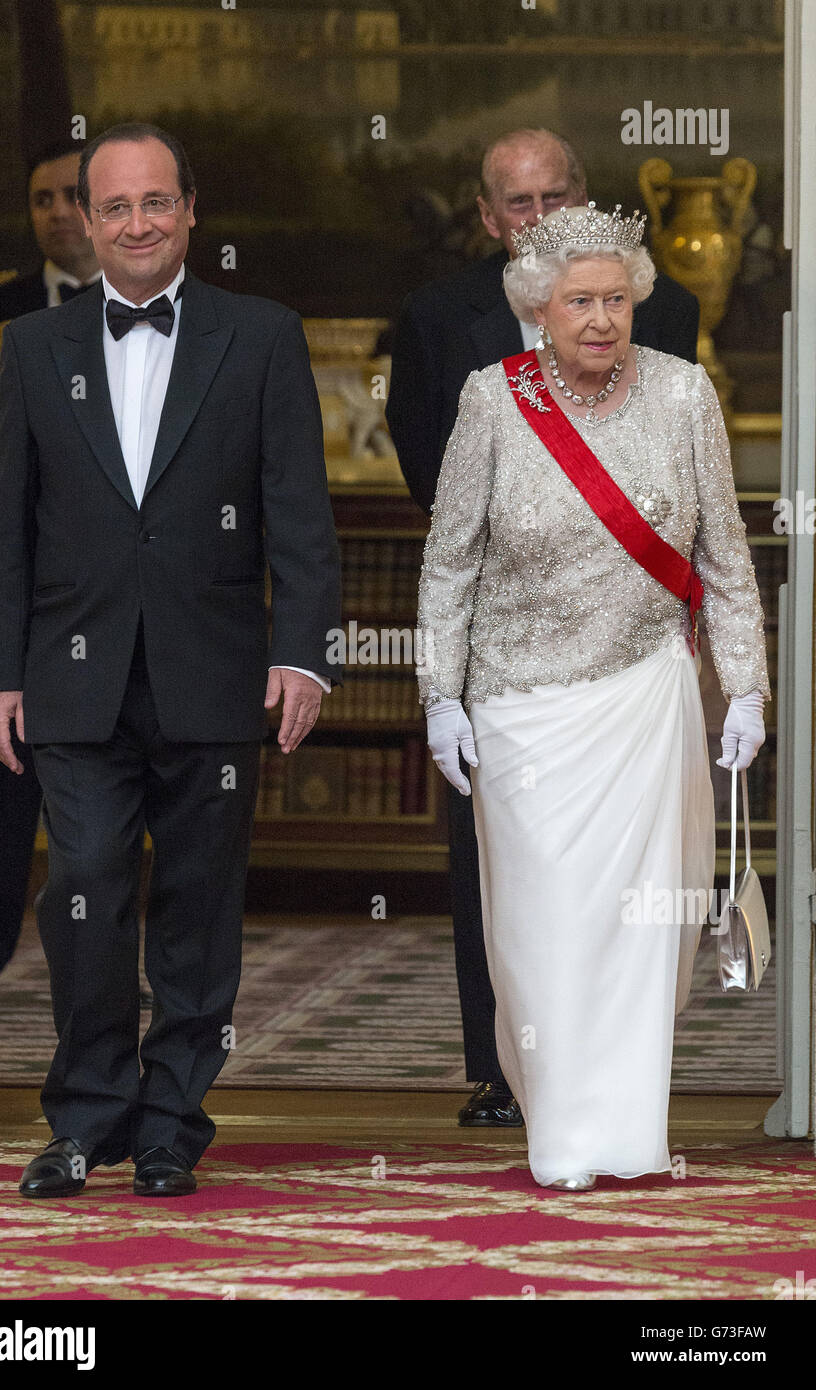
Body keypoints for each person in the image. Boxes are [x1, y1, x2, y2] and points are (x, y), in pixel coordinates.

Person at [0, 123, 341, 1199]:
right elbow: (6, 525)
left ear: (190, 212)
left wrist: (303, 655)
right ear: (87, 221)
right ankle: (85, 1117)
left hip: (213, 675)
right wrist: (1, 674)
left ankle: (174, 1118)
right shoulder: (34, 351)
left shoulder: (262, 336)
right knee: (83, 886)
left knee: (196, 905)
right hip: (71, 679)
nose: (136, 224)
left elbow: (298, 514)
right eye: (115, 207)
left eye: (155, 203)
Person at [416, 202, 769, 1190]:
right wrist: (441, 696)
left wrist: (741, 687)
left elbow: (724, 559)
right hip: (521, 713)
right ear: (540, 306)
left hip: (644, 702)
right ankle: (559, 1122)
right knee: (541, 931)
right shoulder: (492, 400)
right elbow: (448, 565)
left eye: (615, 299)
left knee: (635, 926)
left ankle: (624, 1129)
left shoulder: (681, 394)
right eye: (579, 301)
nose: (600, 319)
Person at [387, 128, 701, 1129]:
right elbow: (428, 483)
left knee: (626, 866)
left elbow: (678, 480)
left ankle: (617, 1060)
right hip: (501, 642)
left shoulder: (668, 309)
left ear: (585, 197)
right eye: (515, 205)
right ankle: (503, 1065)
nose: (538, 219)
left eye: (554, 196)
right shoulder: (439, 321)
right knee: (499, 863)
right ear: (486, 219)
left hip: (627, 638)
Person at [0, 141, 101, 1009]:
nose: (57, 212)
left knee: (101, 820)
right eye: (40, 197)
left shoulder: (176, 318)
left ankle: (98, 979)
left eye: (72, 196)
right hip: (24, 593)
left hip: (118, 595)